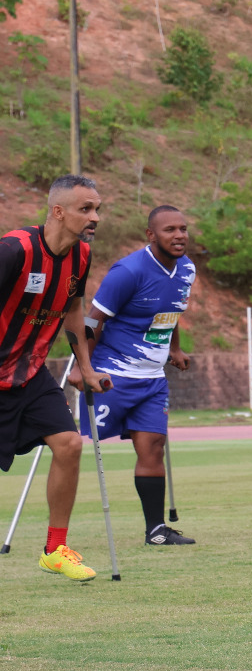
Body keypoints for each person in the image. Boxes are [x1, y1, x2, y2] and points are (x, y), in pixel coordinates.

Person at [0, 175, 113, 580]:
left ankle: (55, 548)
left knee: (68, 445)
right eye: (86, 209)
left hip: (30, 373)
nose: (95, 217)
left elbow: (73, 310)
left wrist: (86, 369)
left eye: (97, 208)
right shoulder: (15, 249)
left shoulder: (81, 256)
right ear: (58, 211)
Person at [69, 205, 197, 546]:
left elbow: (172, 311)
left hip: (153, 379)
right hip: (112, 375)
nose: (180, 235)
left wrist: (174, 349)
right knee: (66, 444)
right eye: (170, 230)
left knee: (153, 448)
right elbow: (93, 320)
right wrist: (83, 368)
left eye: (183, 229)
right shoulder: (128, 271)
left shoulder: (186, 269)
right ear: (151, 235)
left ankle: (155, 531)